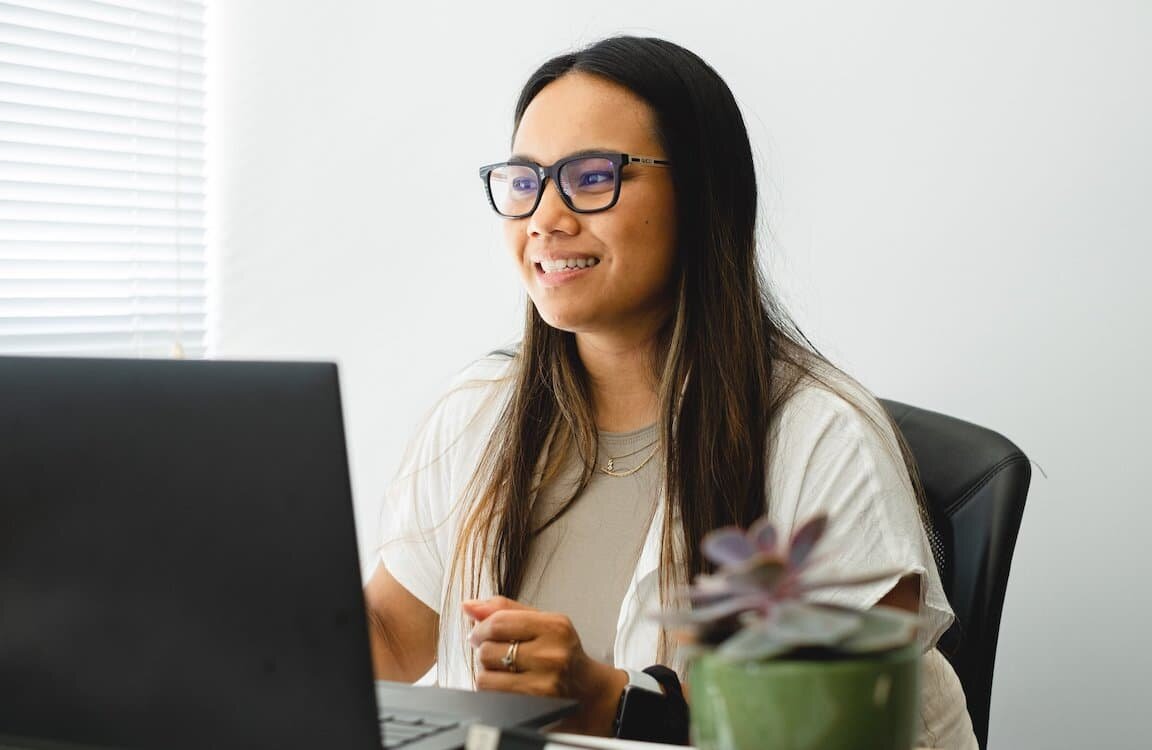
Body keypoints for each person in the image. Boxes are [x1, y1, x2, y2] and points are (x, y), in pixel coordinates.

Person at [365, 36, 976, 749]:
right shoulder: (479, 413)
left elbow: (844, 723)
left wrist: (615, 703)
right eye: (525, 181)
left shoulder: (823, 437)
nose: (546, 218)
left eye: (592, 177)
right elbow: (389, 635)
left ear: (700, 193)